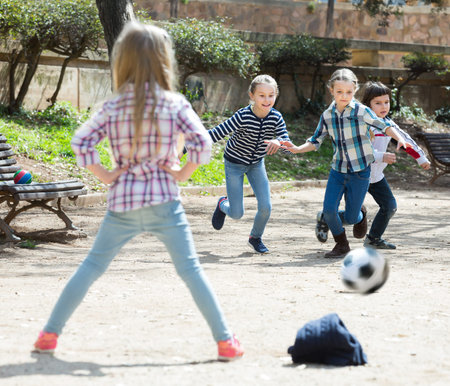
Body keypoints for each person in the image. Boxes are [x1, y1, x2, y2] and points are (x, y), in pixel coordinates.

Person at [33, 22, 243, 362]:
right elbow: (202, 143)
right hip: (164, 201)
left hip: (123, 202)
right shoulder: (175, 104)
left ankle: (48, 335)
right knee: (190, 270)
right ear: (164, 61)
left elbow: (80, 141)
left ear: (123, 61)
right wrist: (181, 173)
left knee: (91, 266)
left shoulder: (113, 106)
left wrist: (105, 174)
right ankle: (225, 342)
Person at [280, 68, 411, 258]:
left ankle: (361, 214)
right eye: (339, 91)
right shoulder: (327, 115)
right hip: (338, 170)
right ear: (331, 90)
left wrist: (399, 138)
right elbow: (316, 140)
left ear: (355, 90)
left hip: (360, 172)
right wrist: (298, 148)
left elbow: (384, 125)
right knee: (329, 210)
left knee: (351, 217)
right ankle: (342, 245)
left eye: (349, 92)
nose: (344, 96)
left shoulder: (362, 111)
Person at [209, 75, 291, 254]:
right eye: (261, 95)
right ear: (252, 95)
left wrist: (280, 142)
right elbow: (217, 133)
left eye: (271, 95)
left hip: (256, 164)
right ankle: (223, 203)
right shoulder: (243, 115)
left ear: (276, 95)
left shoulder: (276, 118)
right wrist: (185, 147)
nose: (267, 100)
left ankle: (255, 238)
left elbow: (287, 144)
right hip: (234, 164)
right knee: (237, 213)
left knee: (266, 207)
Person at [360, 81, 430, 249]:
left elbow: (404, 140)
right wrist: (381, 156)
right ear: (367, 104)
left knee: (390, 207)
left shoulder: (388, 124)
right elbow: (360, 151)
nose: (384, 106)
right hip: (359, 175)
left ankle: (373, 239)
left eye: (387, 102)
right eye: (378, 103)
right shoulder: (362, 124)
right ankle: (327, 218)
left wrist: (420, 158)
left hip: (376, 177)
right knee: (353, 215)